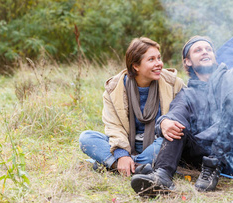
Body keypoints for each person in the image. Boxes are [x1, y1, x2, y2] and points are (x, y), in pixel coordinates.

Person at [131, 6, 233, 195]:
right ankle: (161, 176)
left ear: (214, 56)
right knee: (176, 125)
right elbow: (176, 113)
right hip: (200, 158)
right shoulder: (187, 94)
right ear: (187, 62)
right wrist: (164, 122)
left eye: (208, 49)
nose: (205, 52)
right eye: (197, 50)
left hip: (232, 156)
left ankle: (213, 165)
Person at [79, 37, 184, 177]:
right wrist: (122, 154)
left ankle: (115, 165)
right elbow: (113, 126)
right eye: (151, 59)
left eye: (159, 58)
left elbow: (184, 111)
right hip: (127, 143)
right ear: (136, 66)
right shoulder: (114, 88)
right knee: (86, 138)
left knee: (171, 140)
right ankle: (138, 167)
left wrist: (167, 123)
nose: (159, 63)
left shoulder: (173, 83)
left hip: (157, 142)